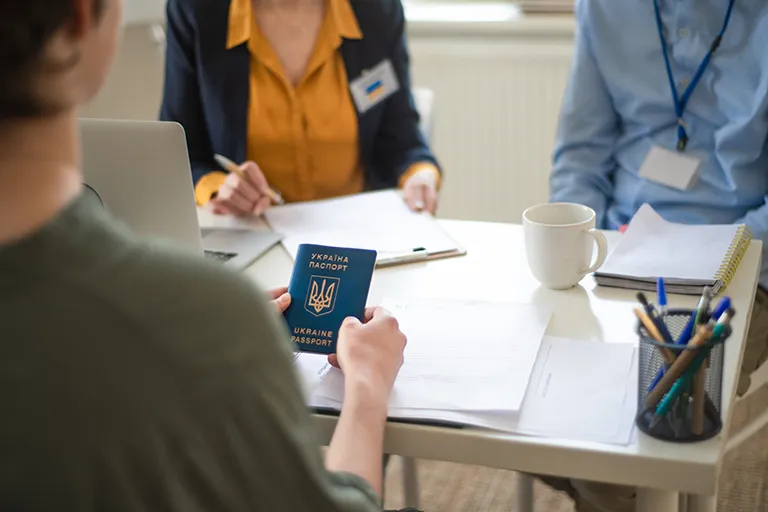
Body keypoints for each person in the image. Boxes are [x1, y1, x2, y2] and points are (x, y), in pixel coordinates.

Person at [0, 1, 416, 510]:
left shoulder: (211, 315)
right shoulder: (211, 313)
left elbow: (405, 141)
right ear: (79, 20)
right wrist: (369, 385)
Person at [547, 0, 768, 510]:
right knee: (531, 398)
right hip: (618, 254)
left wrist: (723, 253)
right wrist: (585, 244)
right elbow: (581, 157)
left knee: (643, 432)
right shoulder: (604, 9)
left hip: (743, 264)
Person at [160, 0, 441, 216]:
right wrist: (219, 187)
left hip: (356, 236)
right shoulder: (196, 10)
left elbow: (403, 141)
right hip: (250, 231)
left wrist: (421, 175)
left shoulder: (376, 10)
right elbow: (179, 151)